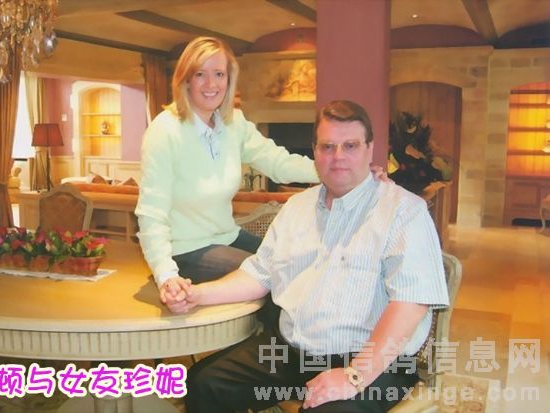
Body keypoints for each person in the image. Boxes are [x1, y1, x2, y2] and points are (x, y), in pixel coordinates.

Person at [164, 100, 450, 412]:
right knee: (205, 383)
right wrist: (196, 294)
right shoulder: (296, 208)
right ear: (314, 151)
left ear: (370, 149)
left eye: (350, 146)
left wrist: (354, 375)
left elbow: (410, 304)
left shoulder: (404, 212)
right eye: (327, 146)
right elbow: (258, 274)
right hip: (289, 353)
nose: (338, 156)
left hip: (372, 361)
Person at [135, 37, 385, 301]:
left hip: (227, 236)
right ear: (185, 79)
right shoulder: (165, 131)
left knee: (295, 262)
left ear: (229, 79)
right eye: (200, 74)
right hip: (185, 250)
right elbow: (151, 213)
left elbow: (277, 162)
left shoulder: (232, 123)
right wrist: (166, 274)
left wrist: (339, 170)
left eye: (219, 74)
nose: (211, 84)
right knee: (278, 278)